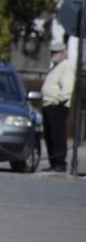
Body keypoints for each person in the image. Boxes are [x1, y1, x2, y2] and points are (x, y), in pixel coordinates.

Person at [40, 40, 74, 173]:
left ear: (63, 53)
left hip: (57, 105)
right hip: (48, 105)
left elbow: (67, 88)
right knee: (50, 135)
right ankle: (53, 162)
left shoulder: (66, 66)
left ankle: (60, 162)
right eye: (52, 52)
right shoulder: (55, 66)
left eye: (56, 52)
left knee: (57, 135)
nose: (53, 54)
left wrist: (57, 100)